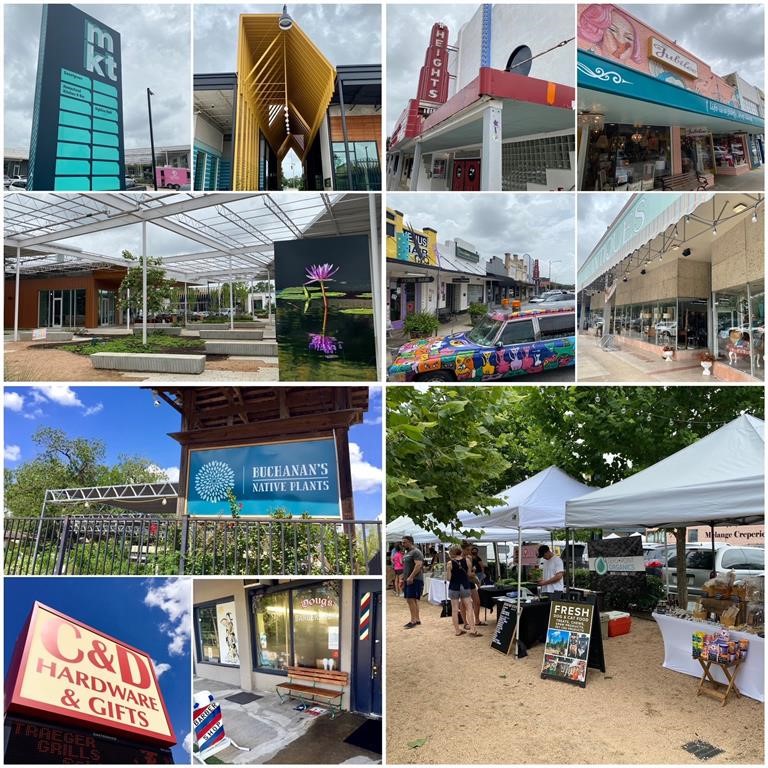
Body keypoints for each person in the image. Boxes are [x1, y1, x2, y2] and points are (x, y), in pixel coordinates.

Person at [446, 545, 481, 637]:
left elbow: (449, 578)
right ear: (460, 551)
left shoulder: (449, 563)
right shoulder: (467, 561)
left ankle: (457, 631)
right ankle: (473, 630)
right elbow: (469, 574)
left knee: (454, 609)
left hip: (454, 587)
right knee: (469, 607)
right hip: (465, 586)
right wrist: (473, 571)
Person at [461, 541, 487, 628]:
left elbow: (471, 571)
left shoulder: (470, 558)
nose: (470, 551)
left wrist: (474, 573)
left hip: (471, 581)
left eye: (470, 549)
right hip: (463, 583)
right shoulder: (459, 559)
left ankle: (477, 620)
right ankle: (465, 623)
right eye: (468, 550)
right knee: (464, 603)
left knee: (477, 602)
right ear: (463, 549)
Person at [401, 535, 424, 628]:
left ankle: (413, 620)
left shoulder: (416, 552)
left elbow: (418, 565)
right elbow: (406, 568)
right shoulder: (407, 553)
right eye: (402, 542)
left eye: (404, 542)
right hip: (408, 579)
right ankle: (417, 619)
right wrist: (403, 579)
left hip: (415, 580)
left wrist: (411, 577)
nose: (403, 544)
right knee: (412, 599)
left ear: (411, 542)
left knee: (410, 599)